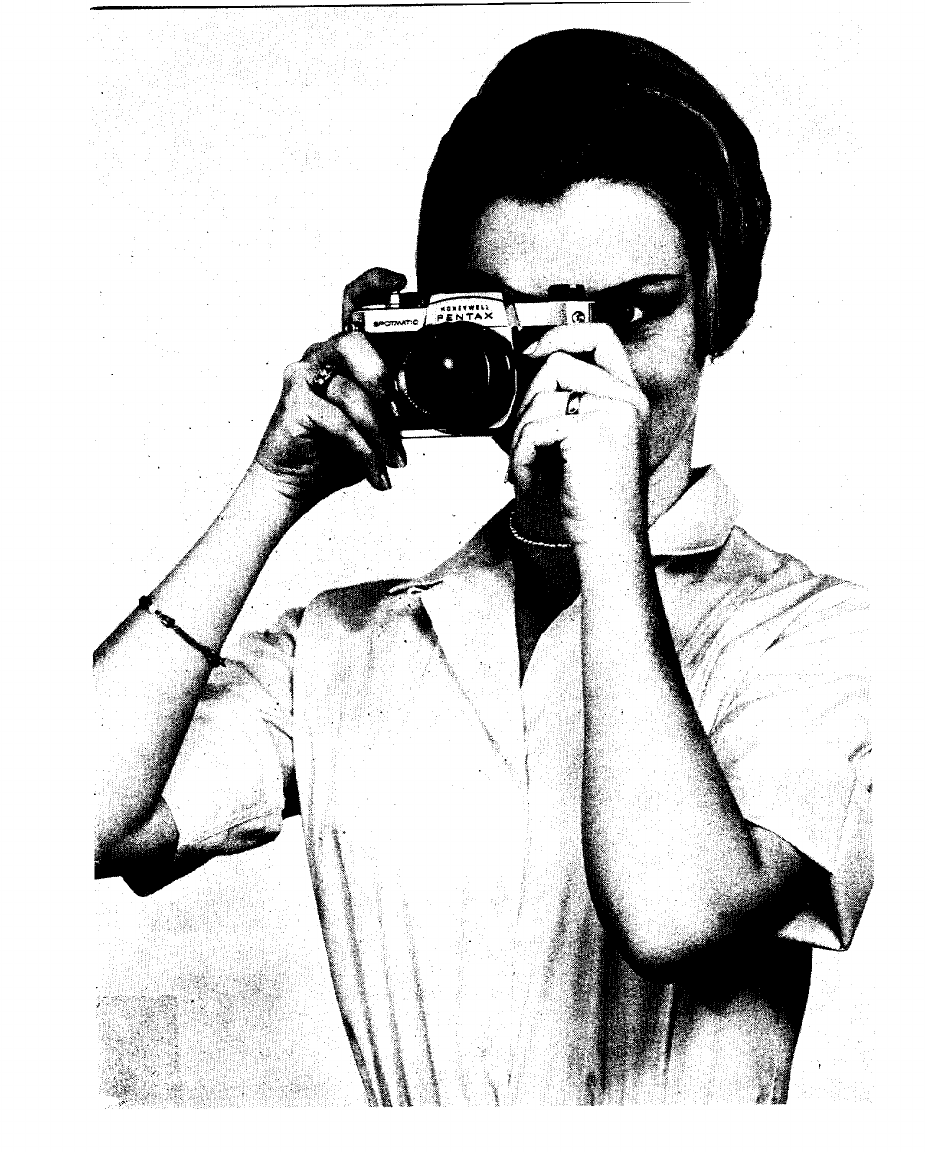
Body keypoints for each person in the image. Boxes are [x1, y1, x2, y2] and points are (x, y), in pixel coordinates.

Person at [94, 29, 871, 1105]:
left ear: (717, 305)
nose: (577, 362)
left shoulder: (822, 636)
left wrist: (607, 535)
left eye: (631, 314)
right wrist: (272, 485)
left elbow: (676, 916)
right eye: (523, 321)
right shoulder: (344, 644)